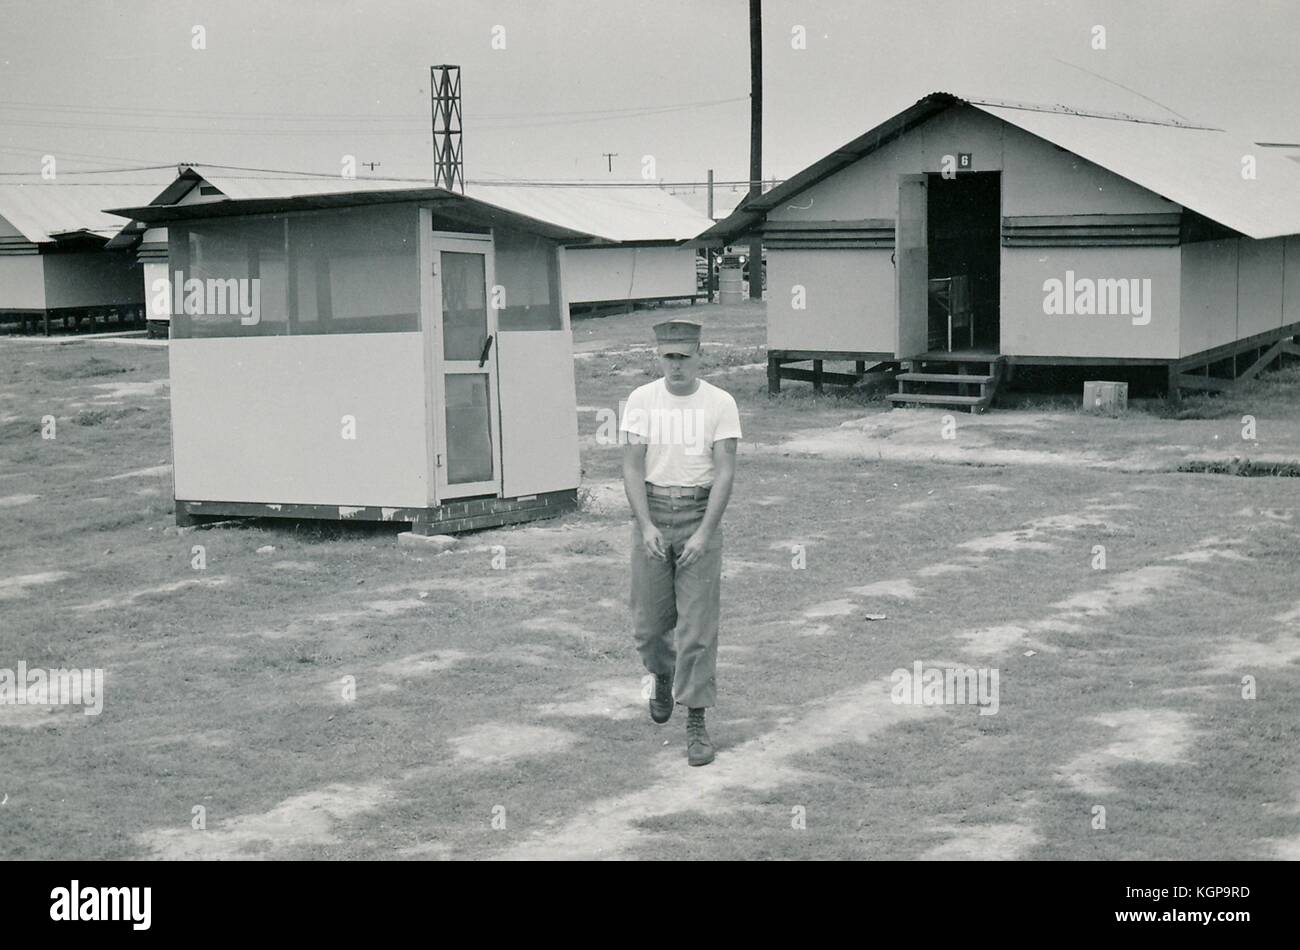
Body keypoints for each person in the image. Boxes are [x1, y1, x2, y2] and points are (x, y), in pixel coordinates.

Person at [620, 319, 741, 766]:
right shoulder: (641, 401)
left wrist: (705, 533)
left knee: (697, 629)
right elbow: (632, 466)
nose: (676, 367)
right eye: (669, 357)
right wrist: (646, 524)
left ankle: (696, 721)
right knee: (650, 627)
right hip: (652, 515)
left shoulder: (720, 403)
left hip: (698, 515)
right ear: (659, 357)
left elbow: (725, 470)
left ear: (699, 356)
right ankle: (662, 674)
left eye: (684, 357)